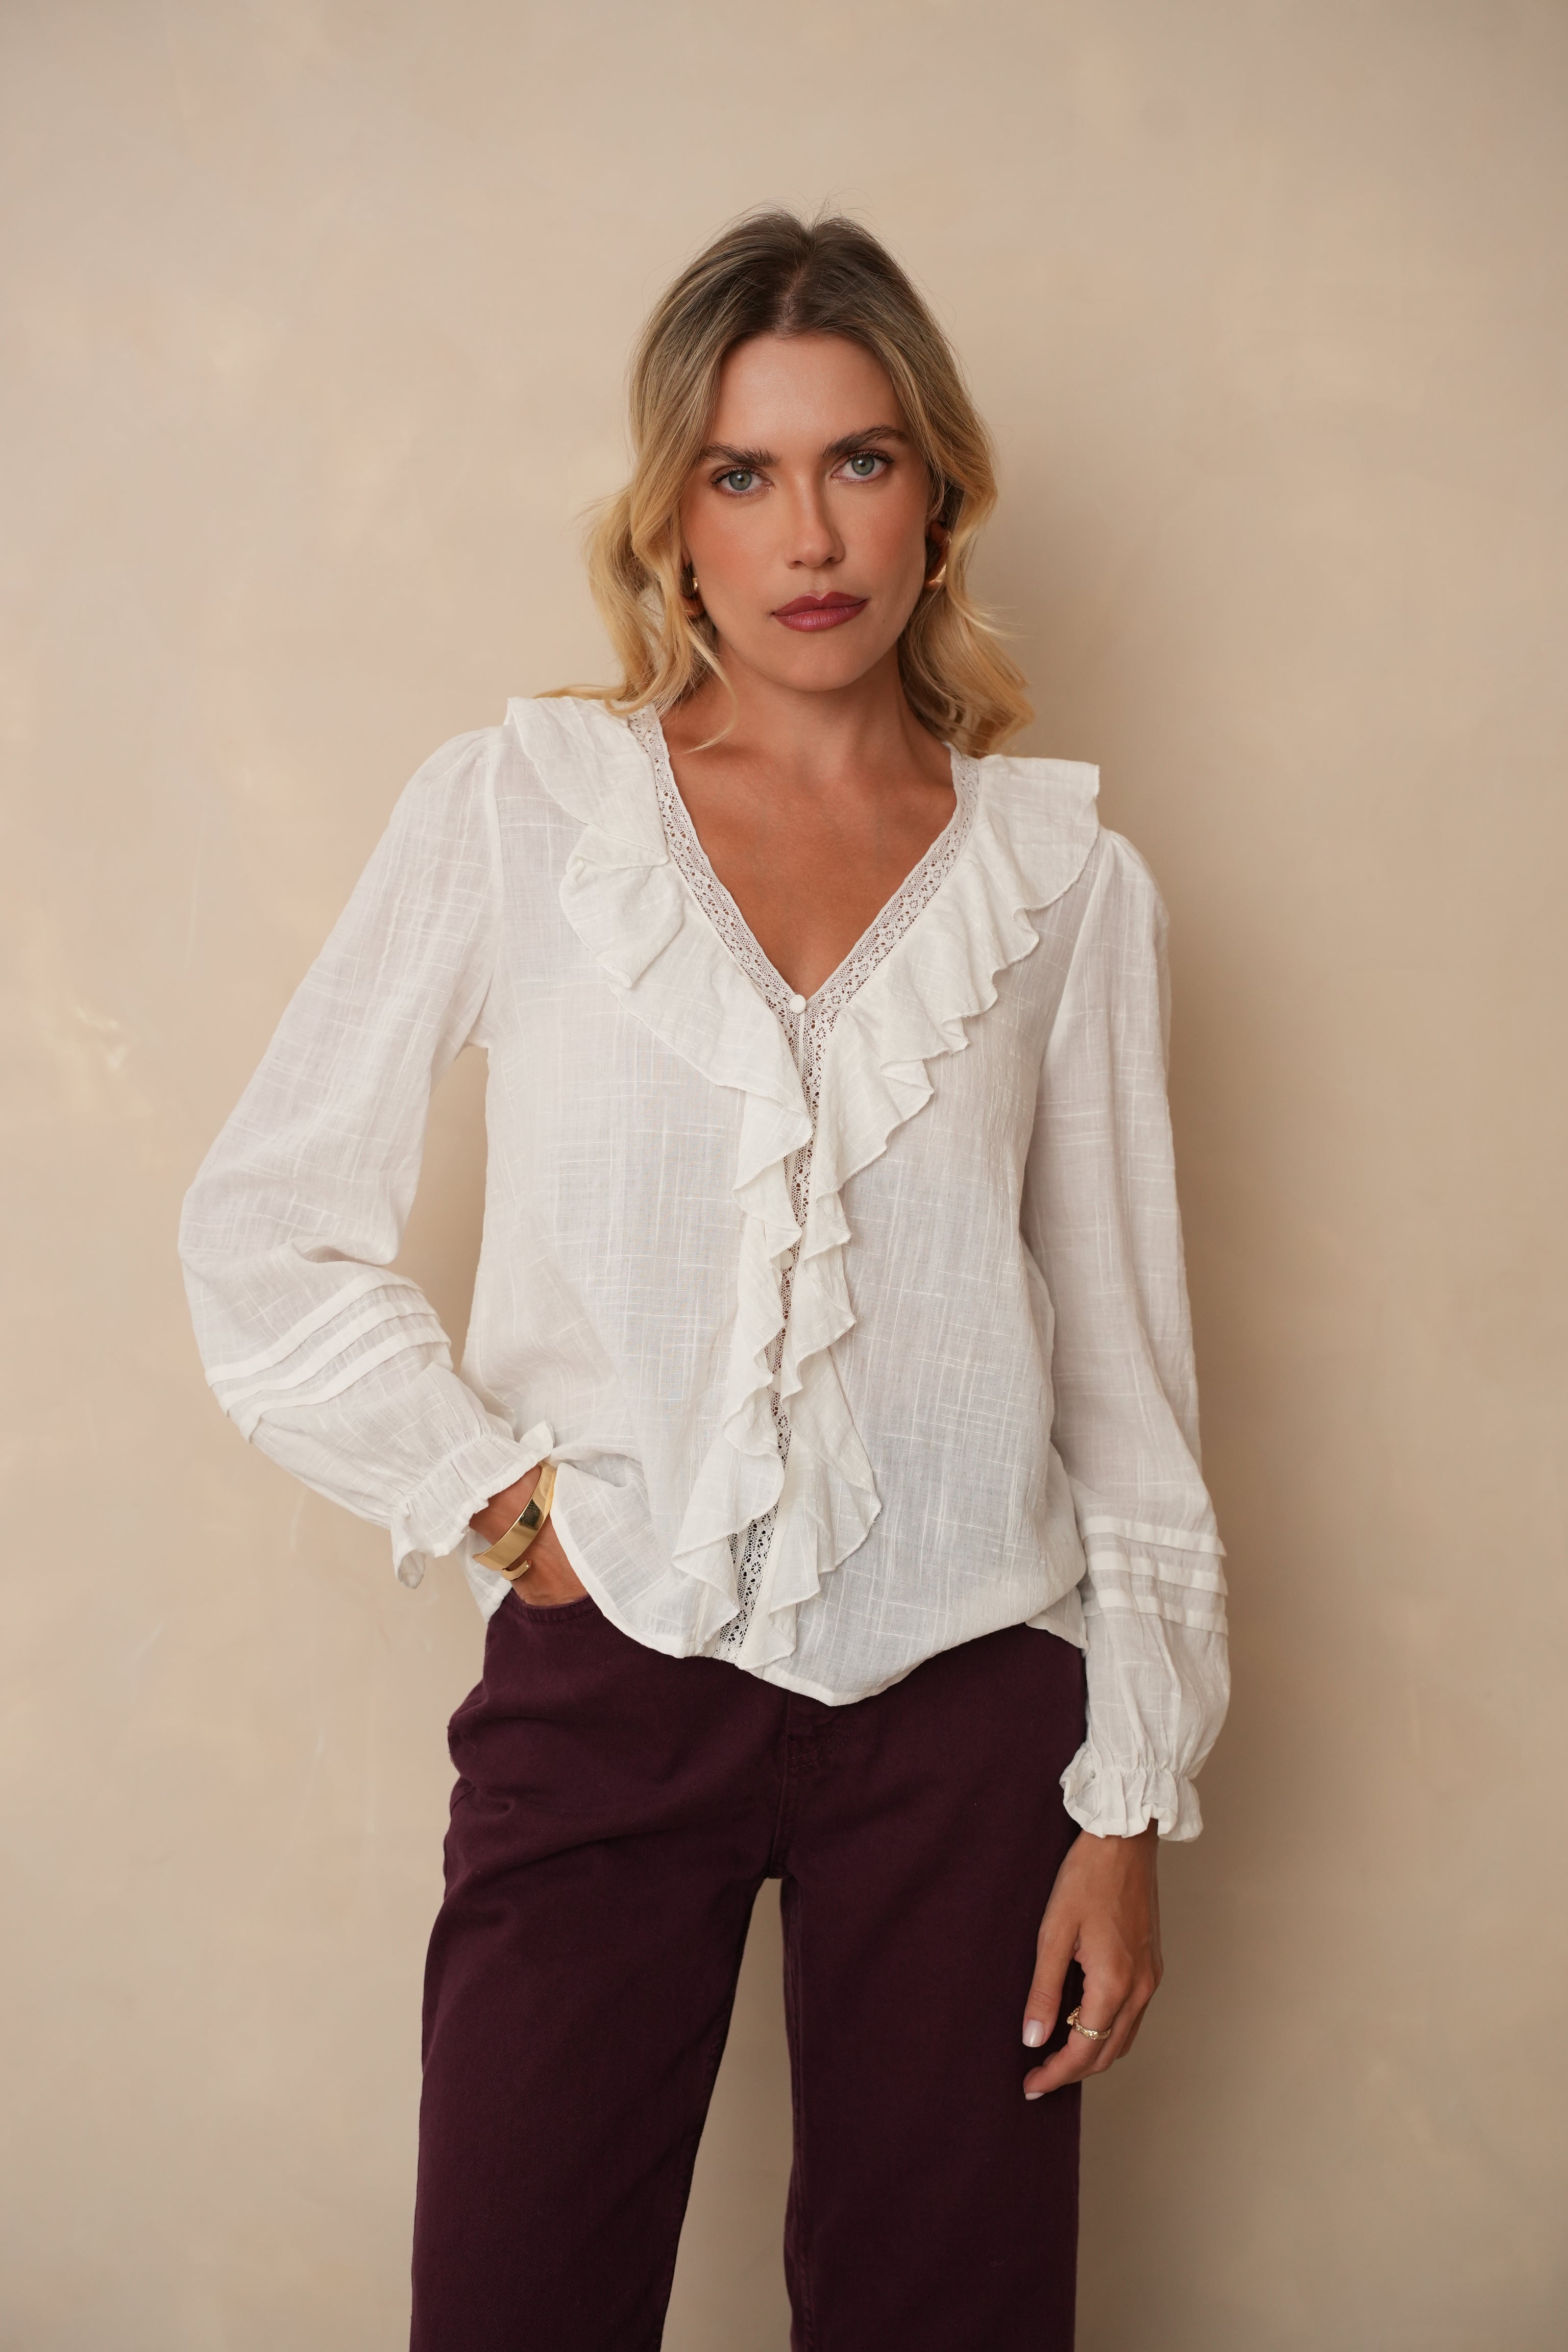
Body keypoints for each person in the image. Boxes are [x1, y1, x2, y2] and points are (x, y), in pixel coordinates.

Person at [179, 210, 1229, 2352]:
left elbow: (1123, 1375)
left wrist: (1125, 1803)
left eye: (860, 461)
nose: (807, 535)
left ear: (938, 497)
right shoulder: (521, 814)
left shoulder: (1068, 887)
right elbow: (264, 1221)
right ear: (673, 518)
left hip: (970, 1716)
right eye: (744, 473)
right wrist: (512, 1515)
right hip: (608, 1681)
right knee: (516, 2299)